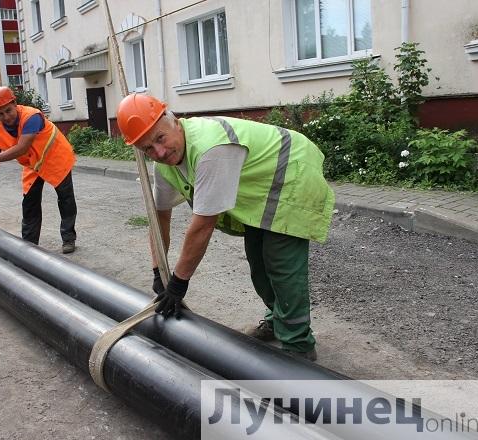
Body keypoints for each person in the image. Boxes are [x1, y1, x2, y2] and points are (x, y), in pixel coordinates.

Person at [116, 94, 335, 360]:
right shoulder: (163, 166)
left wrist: (178, 283)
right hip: (260, 191)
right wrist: (157, 271)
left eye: (160, 139)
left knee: (280, 265)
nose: (159, 153)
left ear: (174, 121)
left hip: (292, 175)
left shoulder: (210, 148)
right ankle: (279, 321)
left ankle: (299, 347)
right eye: (148, 149)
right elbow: (160, 217)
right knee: (259, 264)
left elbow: (203, 225)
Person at [0, 86, 78, 254]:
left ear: (15, 104)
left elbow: (22, 147)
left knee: (65, 199)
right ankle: (29, 246)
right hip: (34, 165)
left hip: (56, 157)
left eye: (8, 110)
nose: (6, 117)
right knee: (29, 203)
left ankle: (68, 238)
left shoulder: (31, 116)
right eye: (0, 113)